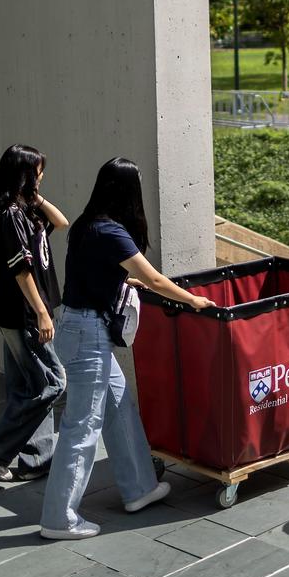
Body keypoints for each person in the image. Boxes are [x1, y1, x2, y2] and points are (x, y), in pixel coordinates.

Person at [37, 157, 214, 540]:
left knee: (118, 407)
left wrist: (123, 286)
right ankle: (58, 518)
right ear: (129, 192)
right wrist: (193, 301)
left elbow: (90, 277)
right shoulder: (112, 231)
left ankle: (139, 488)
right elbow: (152, 275)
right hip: (87, 336)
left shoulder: (87, 225)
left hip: (76, 324)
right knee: (81, 427)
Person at [0, 144, 69, 482]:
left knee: (28, 387)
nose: (42, 175)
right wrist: (42, 313)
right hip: (23, 313)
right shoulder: (12, 215)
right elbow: (21, 271)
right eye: (38, 170)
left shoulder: (25, 209)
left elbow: (62, 221)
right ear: (24, 174)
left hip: (22, 312)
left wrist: (35, 195)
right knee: (53, 383)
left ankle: (37, 460)